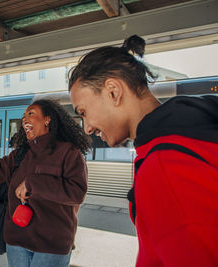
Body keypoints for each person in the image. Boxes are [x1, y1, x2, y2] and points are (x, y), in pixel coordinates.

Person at [68, 35, 218, 266]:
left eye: (84, 112)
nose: (87, 128)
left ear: (113, 91)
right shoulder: (190, 136)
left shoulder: (164, 166)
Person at [0, 99, 91, 267]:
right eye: (23, 116)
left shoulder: (69, 153)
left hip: (51, 246)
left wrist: (34, 183)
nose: (24, 119)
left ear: (47, 119)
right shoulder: (20, 155)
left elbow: (77, 192)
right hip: (16, 243)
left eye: (31, 114)